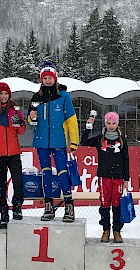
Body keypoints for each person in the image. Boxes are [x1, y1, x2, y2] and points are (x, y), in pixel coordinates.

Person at [27, 61, 79, 222]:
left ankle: (69, 205)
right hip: (41, 142)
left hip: (59, 141)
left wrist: (74, 142)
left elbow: (71, 119)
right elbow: (30, 121)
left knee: (63, 172)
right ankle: (48, 205)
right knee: (46, 173)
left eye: (50, 77)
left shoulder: (64, 95)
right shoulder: (36, 97)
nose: (48, 80)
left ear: (55, 78)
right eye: (45, 78)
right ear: (41, 79)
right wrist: (31, 117)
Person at [80, 111, 130, 243]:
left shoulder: (122, 140)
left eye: (114, 123)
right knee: (105, 205)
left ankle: (117, 231)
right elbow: (83, 142)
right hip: (104, 177)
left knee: (117, 205)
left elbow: (126, 160)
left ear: (117, 124)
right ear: (105, 124)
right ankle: (106, 230)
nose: (111, 126)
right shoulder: (100, 139)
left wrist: (126, 179)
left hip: (118, 178)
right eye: (108, 123)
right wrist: (88, 127)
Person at [0, 82, 26, 229]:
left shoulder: (14, 110)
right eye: (1, 94)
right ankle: (3, 213)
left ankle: (17, 207)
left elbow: (21, 132)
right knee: (1, 185)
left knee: (18, 182)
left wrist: (19, 123)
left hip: (14, 152)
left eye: (6, 94)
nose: (4, 97)